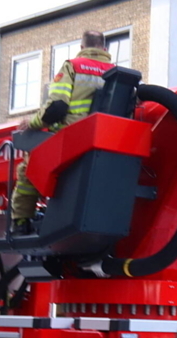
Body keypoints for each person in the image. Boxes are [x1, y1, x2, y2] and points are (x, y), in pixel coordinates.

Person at [9, 30, 115, 231]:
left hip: (71, 140)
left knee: (28, 169)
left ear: (82, 48)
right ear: (104, 49)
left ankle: (21, 222)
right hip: (104, 142)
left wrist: (31, 123)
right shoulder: (117, 73)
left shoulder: (73, 66)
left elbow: (57, 107)